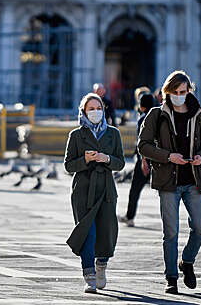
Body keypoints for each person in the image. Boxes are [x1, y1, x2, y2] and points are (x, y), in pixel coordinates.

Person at [138, 71, 201, 294]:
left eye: (183, 92)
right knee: (170, 232)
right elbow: (143, 145)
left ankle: (187, 261)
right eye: (175, 93)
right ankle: (171, 277)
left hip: (193, 180)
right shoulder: (156, 114)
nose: (180, 96)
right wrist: (169, 156)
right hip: (168, 181)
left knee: (200, 227)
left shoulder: (200, 114)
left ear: (189, 91)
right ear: (167, 93)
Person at [64, 93, 125, 293]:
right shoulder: (76, 135)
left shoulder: (113, 133)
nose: (95, 112)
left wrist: (106, 159)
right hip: (83, 190)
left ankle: (101, 265)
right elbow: (68, 166)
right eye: (91, 109)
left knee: (106, 232)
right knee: (87, 234)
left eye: (98, 108)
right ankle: (89, 274)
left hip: (106, 189)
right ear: (83, 112)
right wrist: (86, 160)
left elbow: (120, 163)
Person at [118, 93, 155, 226]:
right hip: (159, 158)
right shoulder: (159, 116)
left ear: (142, 105)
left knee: (135, 189)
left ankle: (130, 216)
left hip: (145, 159)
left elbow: (142, 142)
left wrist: (143, 161)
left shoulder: (143, 119)